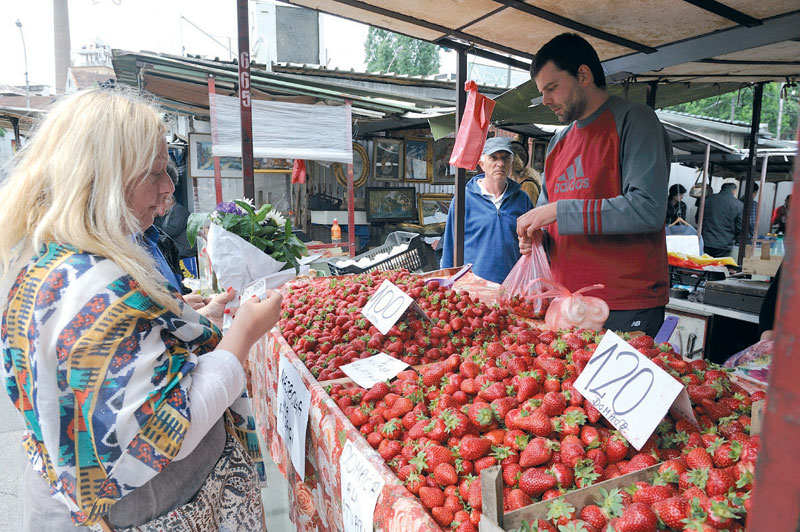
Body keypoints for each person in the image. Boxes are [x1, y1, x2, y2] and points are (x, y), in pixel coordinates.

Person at [0, 88, 282, 531]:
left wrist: (179, 326)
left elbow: (117, 367)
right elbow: (168, 432)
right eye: (155, 173)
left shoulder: (49, 262)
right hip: (152, 509)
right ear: (103, 181)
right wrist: (241, 334)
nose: (169, 186)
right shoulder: (96, 288)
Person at [516, 33, 671, 337]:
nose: (545, 100)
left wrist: (559, 211)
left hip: (624, 304)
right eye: (542, 91)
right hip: (565, 303)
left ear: (583, 75)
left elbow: (647, 209)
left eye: (552, 88)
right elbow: (548, 218)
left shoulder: (635, 120)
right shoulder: (558, 143)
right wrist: (537, 237)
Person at [440, 136, 534, 284]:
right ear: (481, 164)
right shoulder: (463, 200)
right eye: (493, 158)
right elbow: (449, 246)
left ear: (512, 163)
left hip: (512, 287)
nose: (500, 163)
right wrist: (446, 283)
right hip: (472, 288)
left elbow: (533, 243)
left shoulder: (522, 200)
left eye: (505, 158)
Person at [701, 182, 742, 258]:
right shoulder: (738, 205)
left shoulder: (708, 199)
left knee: (704, 265)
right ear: (734, 191)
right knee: (720, 267)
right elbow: (739, 227)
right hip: (725, 244)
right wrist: (737, 241)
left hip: (706, 241)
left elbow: (698, 219)